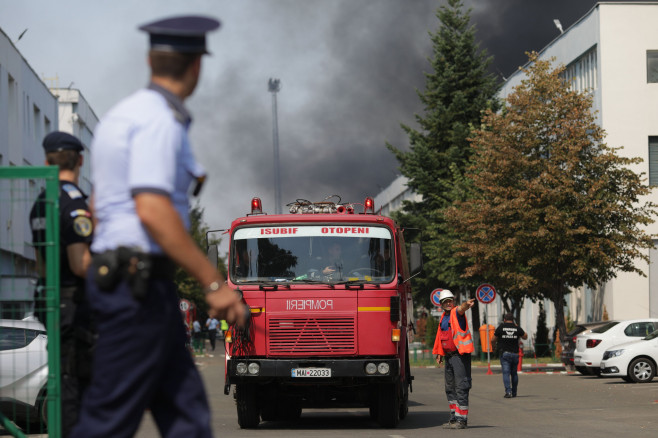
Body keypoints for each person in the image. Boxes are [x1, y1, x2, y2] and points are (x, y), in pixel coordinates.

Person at [71, 15, 247, 438]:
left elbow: (98, 203)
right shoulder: (159, 120)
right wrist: (212, 283)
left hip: (139, 285)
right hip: (139, 289)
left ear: (151, 60)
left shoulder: (120, 116)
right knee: (108, 422)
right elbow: (152, 209)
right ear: (196, 67)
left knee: (188, 417)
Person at [29, 131, 96, 437]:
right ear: (80, 160)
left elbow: (41, 264)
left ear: (46, 161)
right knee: (75, 380)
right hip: (76, 306)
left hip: (51, 300)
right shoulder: (73, 203)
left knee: (64, 375)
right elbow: (81, 263)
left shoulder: (41, 203)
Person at [432, 289, 476, 430]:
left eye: (450, 300)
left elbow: (461, 309)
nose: (448, 303)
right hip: (449, 357)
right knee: (449, 388)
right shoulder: (443, 318)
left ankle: (462, 420)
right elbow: (441, 337)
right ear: (441, 304)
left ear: (453, 301)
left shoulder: (456, 313)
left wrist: (466, 305)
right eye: (445, 302)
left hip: (459, 356)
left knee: (461, 387)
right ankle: (453, 418)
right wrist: (440, 354)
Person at [492, 312, 528, 398]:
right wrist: (518, 327)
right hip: (515, 354)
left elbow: (493, 339)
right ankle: (514, 392)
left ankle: (508, 392)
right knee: (514, 374)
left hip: (505, 354)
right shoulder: (516, 327)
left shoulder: (501, 327)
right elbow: (525, 337)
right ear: (513, 320)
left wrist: (493, 347)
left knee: (506, 373)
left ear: (504, 320)